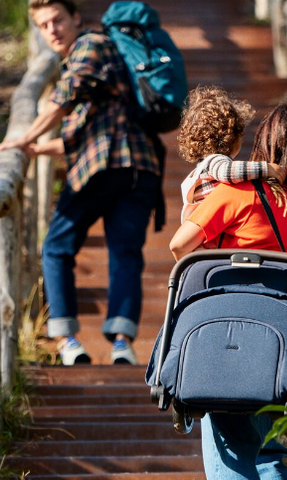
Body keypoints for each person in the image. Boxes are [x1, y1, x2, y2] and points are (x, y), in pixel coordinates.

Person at [170, 102, 287, 479]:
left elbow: (181, 246)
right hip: (285, 352)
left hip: (228, 339)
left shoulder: (236, 195)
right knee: (268, 451)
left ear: (265, 145)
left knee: (230, 449)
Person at [0, 0, 161, 366]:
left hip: (106, 165)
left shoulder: (90, 45)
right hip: (140, 166)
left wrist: (21, 139)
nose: (52, 30)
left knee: (56, 247)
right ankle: (122, 344)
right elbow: (79, 132)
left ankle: (67, 339)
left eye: (57, 19)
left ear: (76, 17)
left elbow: (63, 97)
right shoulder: (107, 60)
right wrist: (39, 149)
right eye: (43, 26)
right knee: (125, 254)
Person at [177, 86, 286, 224]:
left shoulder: (200, 170)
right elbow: (228, 172)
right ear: (232, 136)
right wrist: (266, 169)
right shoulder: (215, 162)